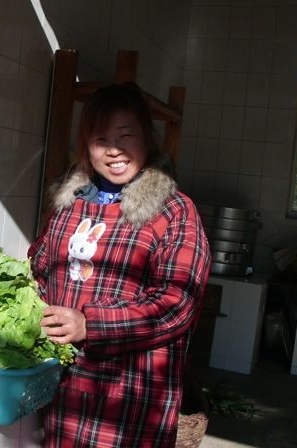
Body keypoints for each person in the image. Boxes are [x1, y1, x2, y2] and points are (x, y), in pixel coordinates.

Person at [28, 82, 211, 447]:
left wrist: (90, 324)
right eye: (100, 140)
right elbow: (40, 269)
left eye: (126, 136)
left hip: (129, 401)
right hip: (63, 392)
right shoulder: (69, 205)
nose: (114, 150)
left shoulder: (175, 211)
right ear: (86, 147)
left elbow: (178, 303)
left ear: (147, 139)